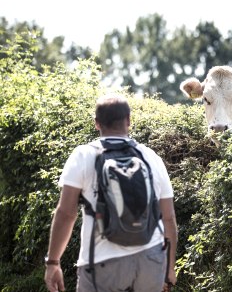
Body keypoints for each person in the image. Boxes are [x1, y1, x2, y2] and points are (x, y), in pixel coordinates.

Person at [44, 94, 177, 292]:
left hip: (102, 261)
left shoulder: (83, 155)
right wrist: (169, 268)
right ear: (129, 121)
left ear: (97, 123)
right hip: (151, 258)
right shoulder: (150, 157)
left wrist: (53, 262)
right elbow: (168, 218)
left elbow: (66, 214)